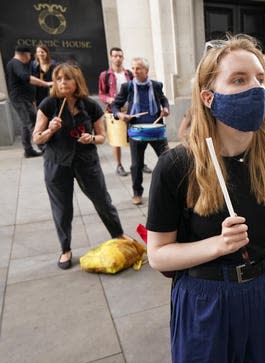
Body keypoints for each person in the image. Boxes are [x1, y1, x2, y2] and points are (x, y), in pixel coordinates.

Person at [145, 35, 265, 363]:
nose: (255, 88)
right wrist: (216, 245)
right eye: (239, 79)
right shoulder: (177, 166)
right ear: (207, 96)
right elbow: (159, 254)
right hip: (205, 298)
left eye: (260, 78)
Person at [31, 63, 129, 269]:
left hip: (86, 162)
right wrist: (50, 130)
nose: (62, 82)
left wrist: (91, 137)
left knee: (103, 200)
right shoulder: (48, 104)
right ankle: (65, 249)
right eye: (58, 79)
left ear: (77, 81)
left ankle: (118, 234)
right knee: (62, 208)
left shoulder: (90, 105)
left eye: (67, 78)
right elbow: (37, 139)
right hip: (57, 164)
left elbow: (102, 137)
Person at [111, 57, 170, 205]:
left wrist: (166, 108)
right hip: (136, 131)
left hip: (156, 131)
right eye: (133, 68)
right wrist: (121, 115)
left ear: (146, 70)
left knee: (167, 160)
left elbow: (163, 99)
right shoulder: (128, 87)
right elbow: (115, 106)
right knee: (136, 164)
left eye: (138, 68)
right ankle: (137, 193)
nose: (135, 71)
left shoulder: (156, 85)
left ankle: (171, 188)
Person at [6, 45, 53, 157]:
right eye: (29, 55)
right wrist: (46, 83)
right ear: (24, 54)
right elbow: (26, 77)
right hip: (20, 98)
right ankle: (45, 149)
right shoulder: (16, 63)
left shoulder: (17, 64)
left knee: (25, 124)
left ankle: (28, 150)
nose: (30, 58)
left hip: (25, 98)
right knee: (33, 122)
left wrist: (32, 99)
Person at [98, 47, 135, 176]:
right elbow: (101, 94)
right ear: (111, 57)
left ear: (123, 57)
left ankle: (137, 162)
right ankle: (119, 165)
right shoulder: (105, 75)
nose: (118, 58)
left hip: (129, 110)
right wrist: (109, 99)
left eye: (120, 56)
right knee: (116, 139)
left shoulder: (129, 74)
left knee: (134, 137)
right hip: (113, 110)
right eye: (115, 56)